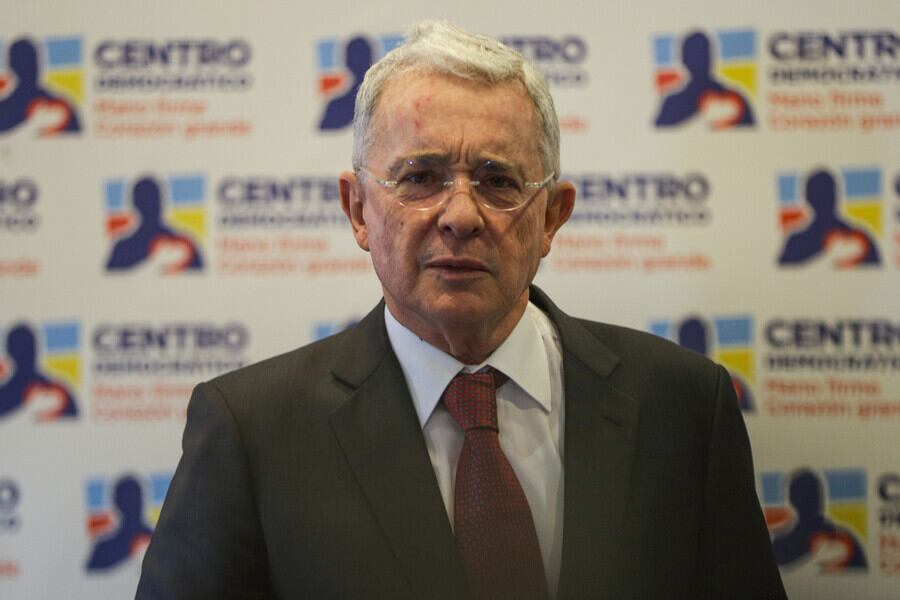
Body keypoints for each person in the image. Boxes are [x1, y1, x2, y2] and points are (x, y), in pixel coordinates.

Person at [136, 21, 786, 600]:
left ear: (552, 216)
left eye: (499, 181)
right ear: (358, 209)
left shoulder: (683, 405)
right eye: (420, 178)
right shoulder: (252, 432)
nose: (461, 216)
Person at [778, 169, 880, 267]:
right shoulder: (796, 243)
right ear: (809, 198)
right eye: (818, 194)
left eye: (827, 193)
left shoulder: (860, 241)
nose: (824, 199)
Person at [655, 31, 754, 129]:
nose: (701, 61)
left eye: (704, 54)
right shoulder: (672, 104)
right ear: (684, 60)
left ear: (711, 57)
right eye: (694, 56)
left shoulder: (734, 100)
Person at [105, 176, 204, 272]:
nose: (151, 205)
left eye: (154, 199)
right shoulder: (123, 249)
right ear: (136, 204)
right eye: (146, 201)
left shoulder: (184, 246)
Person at [0, 38, 81, 134]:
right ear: (12, 66)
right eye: (23, 63)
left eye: (32, 61)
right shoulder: (4, 110)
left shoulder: (61, 107)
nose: (29, 67)